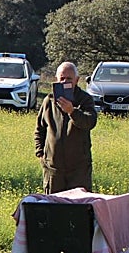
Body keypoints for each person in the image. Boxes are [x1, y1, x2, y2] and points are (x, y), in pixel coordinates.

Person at [34, 61, 97, 193]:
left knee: (78, 208)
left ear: (77, 80)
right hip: (53, 169)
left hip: (78, 170)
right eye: (62, 78)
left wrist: (72, 111)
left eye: (69, 79)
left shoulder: (85, 99)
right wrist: (41, 153)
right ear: (56, 79)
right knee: (53, 208)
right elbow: (40, 129)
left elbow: (89, 123)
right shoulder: (49, 101)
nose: (65, 82)